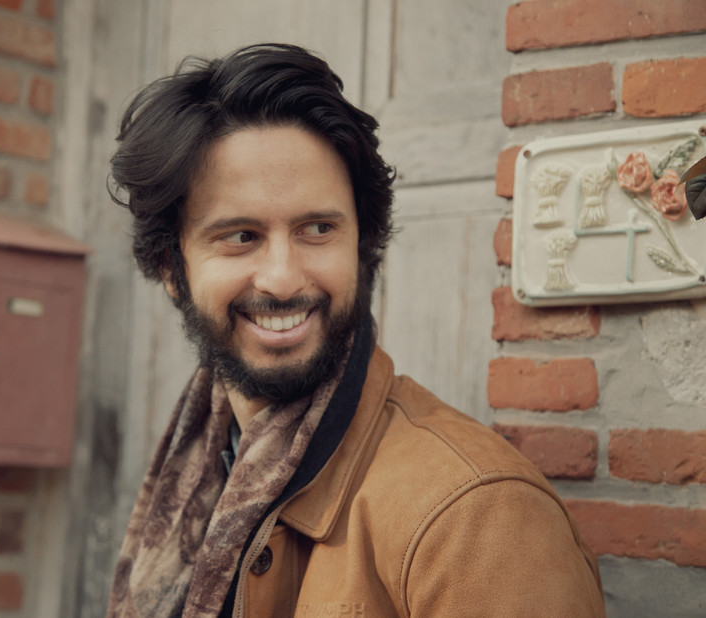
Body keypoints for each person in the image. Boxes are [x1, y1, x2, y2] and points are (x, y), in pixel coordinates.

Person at [106, 43, 606, 617]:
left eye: (318, 229)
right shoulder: (206, 462)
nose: (282, 278)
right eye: (241, 236)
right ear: (172, 269)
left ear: (362, 246)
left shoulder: (477, 517)